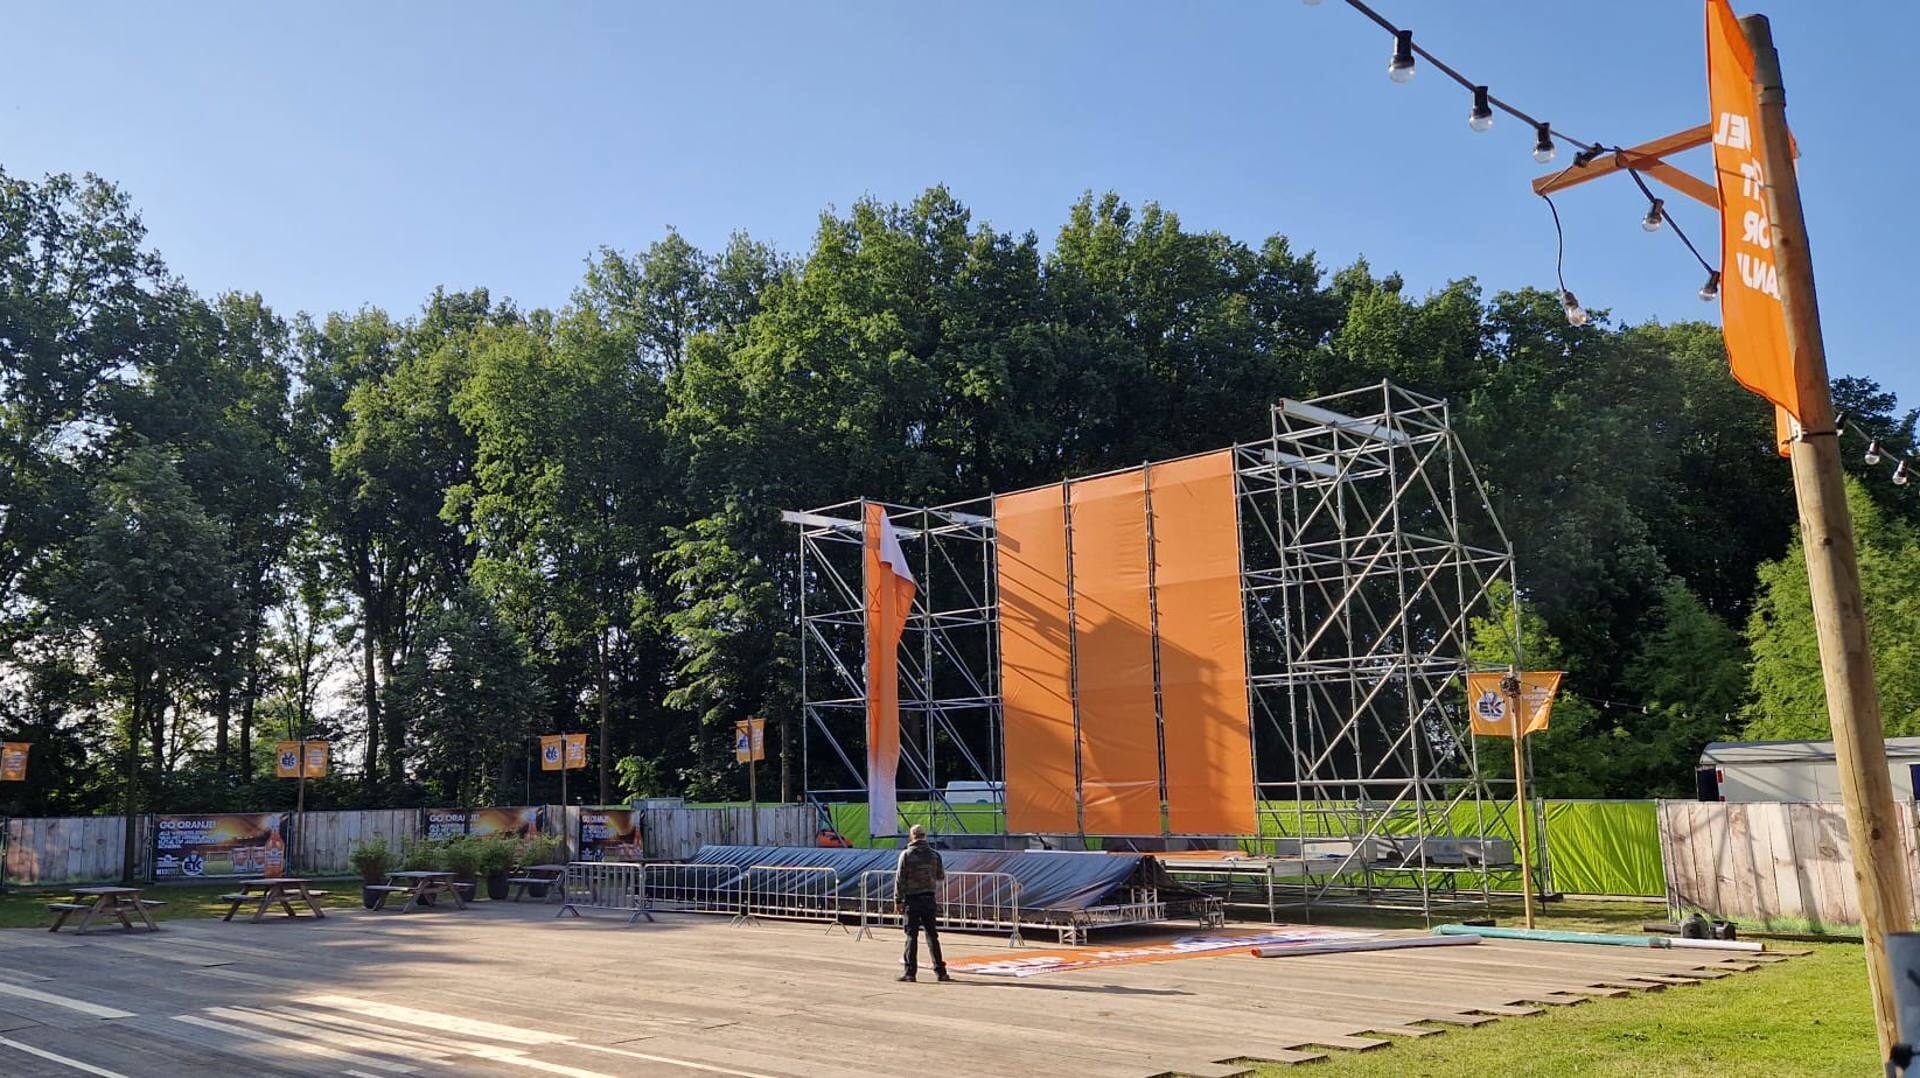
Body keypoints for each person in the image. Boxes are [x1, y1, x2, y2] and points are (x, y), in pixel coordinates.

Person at [895, 824, 952, 982]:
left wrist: (897, 900)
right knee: (932, 936)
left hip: (912, 900)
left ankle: (910, 973)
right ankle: (941, 972)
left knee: (911, 936)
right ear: (924, 835)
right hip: (929, 898)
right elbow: (941, 876)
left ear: (912, 836)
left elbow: (900, 879)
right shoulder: (935, 855)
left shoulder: (906, 855)